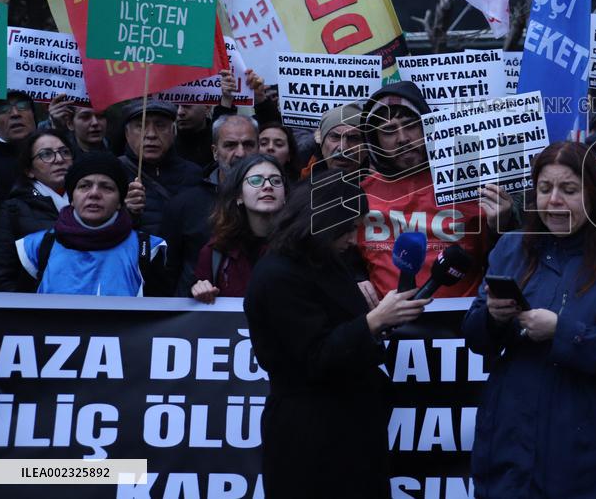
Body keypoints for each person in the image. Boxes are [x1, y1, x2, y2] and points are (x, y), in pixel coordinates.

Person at [463, 141, 596, 497]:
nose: (554, 201)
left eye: (569, 190)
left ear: (593, 194)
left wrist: (561, 332)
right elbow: (474, 336)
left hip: (585, 456)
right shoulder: (511, 247)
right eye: (545, 188)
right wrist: (493, 317)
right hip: (510, 445)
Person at [244, 173, 430, 499]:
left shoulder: (325, 262)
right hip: (309, 439)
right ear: (322, 223)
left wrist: (378, 322)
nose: (354, 240)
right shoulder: (277, 275)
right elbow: (314, 356)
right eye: (348, 229)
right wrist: (373, 321)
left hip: (354, 430)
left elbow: (344, 329)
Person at [357, 82, 509, 297]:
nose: (403, 138)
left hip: (463, 315)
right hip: (386, 316)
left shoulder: (471, 183)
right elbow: (337, 252)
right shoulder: (360, 193)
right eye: (389, 130)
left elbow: (509, 259)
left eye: (411, 125)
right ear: (375, 140)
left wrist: (502, 226)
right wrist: (355, 277)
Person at [14, 152, 170, 296]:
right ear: (72, 198)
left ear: (119, 201)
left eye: (106, 187)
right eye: (84, 186)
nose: (94, 193)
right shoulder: (36, 248)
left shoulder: (146, 250)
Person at [163, 114, 260, 296]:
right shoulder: (185, 205)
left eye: (248, 144)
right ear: (215, 152)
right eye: (230, 145)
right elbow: (169, 272)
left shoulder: (277, 201)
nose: (240, 153)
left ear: (259, 148)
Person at [190, 154, 287, 303]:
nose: (268, 186)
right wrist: (199, 289)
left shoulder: (300, 248)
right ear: (239, 196)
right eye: (256, 180)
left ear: (285, 195)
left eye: (276, 180)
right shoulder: (216, 251)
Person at [0, 129, 73, 291]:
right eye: (46, 154)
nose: (59, 159)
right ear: (29, 171)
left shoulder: (90, 202)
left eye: (65, 152)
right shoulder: (13, 210)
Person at [118, 99, 201, 233]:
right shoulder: (113, 173)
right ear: (127, 134)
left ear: (173, 132)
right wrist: (123, 213)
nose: (151, 135)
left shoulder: (193, 174)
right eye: (141, 126)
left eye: (160, 125)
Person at [0, 91, 38, 220]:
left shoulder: (60, 151)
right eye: (3, 109)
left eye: (23, 106)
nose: (15, 114)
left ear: (34, 116)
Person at [299, 101, 368, 179]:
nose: (343, 148)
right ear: (321, 142)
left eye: (354, 138)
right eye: (335, 137)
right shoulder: (305, 178)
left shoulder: (377, 183)